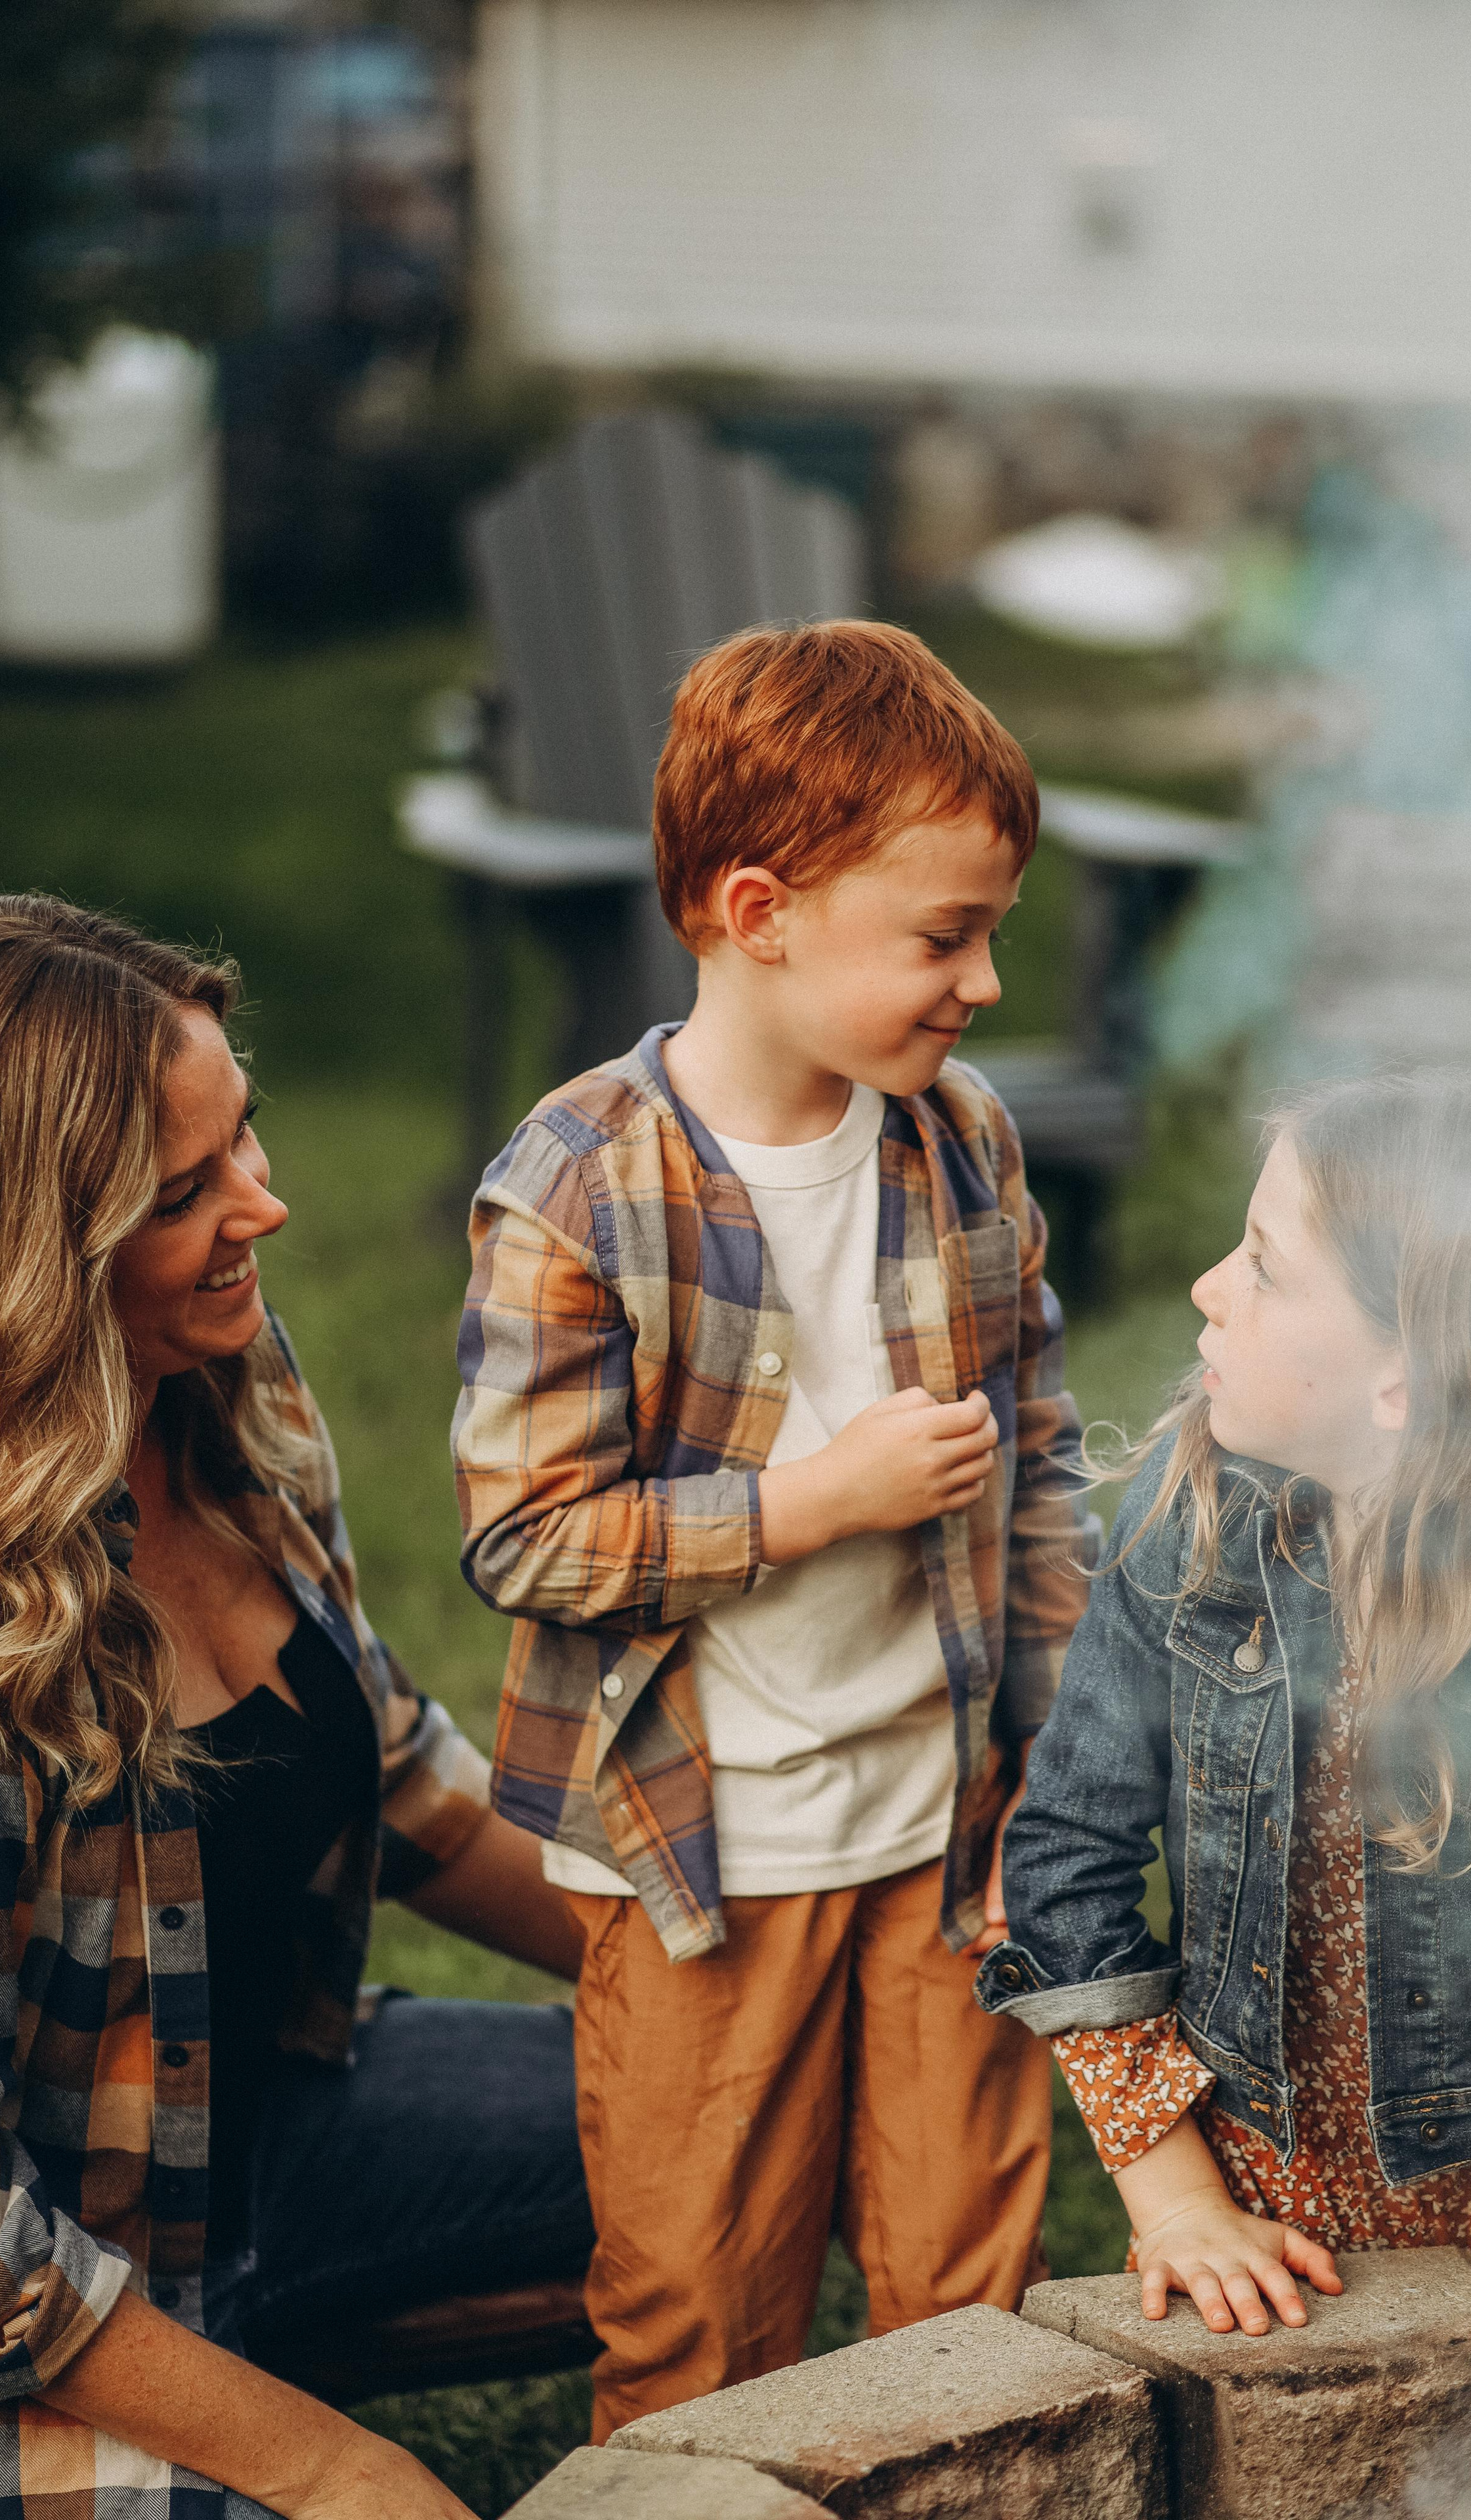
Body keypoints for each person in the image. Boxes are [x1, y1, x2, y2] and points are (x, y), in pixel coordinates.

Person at [453, 620, 1101, 2435]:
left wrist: (1049, 1761)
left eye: (991, 930)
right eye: (944, 935)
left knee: (976, 2325)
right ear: (761, 912)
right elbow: (527, 1539)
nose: (981, 981)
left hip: (940, 1834)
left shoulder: (960, 1141)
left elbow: (1037, 1458)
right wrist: (814, 1504)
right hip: (700, 1857)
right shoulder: (581, 1184)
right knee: (700, 2320)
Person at [0, 894, 593, 2519]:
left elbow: (394, 1769)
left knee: (751, 2110)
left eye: (246, 1139)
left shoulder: (216, 1363)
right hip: (14, 2335)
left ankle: (268, 2354)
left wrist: (749, 1978)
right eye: (186, 1193)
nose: (266, 1207)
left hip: (258, 2137)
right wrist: (335, 2470)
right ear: (33, 1260)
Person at [980, 1070, 1471, 2338]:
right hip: (1281, 2187)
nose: (1211, 1286)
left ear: (1407, 1383)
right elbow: (1065, 1862)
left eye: (1266, 1268)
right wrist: (1173, 2199)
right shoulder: (1190, 1524)